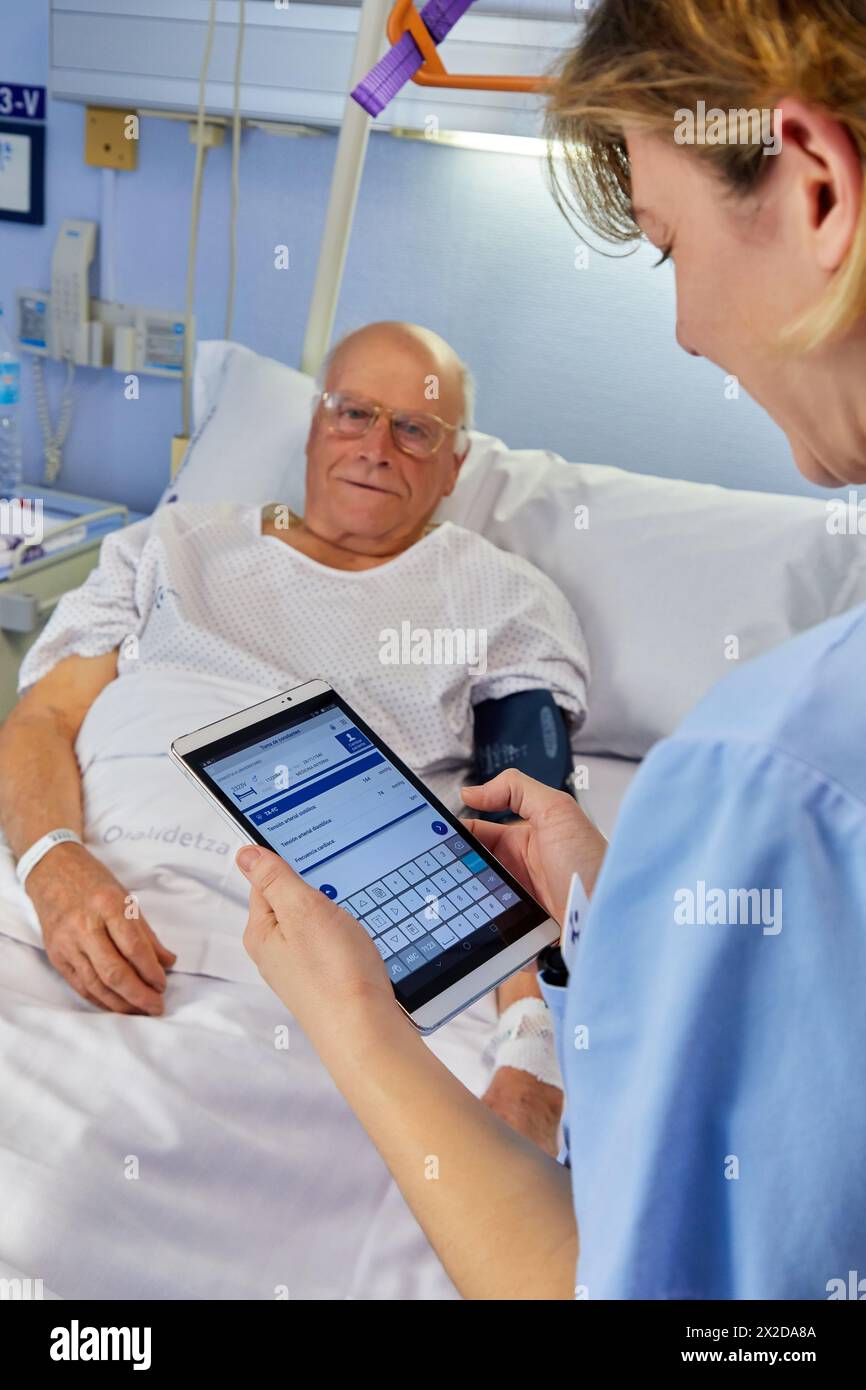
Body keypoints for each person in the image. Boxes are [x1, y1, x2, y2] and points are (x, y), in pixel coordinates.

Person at [233, 0, 866, 1299]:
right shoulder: (182, 555)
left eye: (669, 242)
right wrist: (612, 897)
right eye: (348, 413)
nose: (685, 327)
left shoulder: (759, 765)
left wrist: (352, 1012)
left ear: (814, 195)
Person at [0, 320, 589, 1160]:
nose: (376, 447)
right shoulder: (170, 546)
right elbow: (41, 722)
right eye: (353, 413)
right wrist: (52, 866)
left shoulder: (498, 599)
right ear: (314, 425)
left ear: (457, 463)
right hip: (69, 896)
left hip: (315, 952)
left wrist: (532, 1050)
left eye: (414, 427)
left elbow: (526, 827)